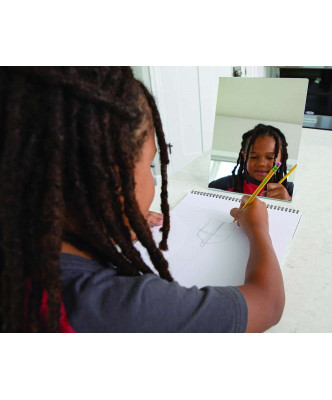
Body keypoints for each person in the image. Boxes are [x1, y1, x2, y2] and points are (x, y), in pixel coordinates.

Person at [0, 67, 284, 333]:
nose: (154, 179)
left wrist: (113, 217)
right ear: (106, 179)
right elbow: (268, 303)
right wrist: (258, 227)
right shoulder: (116, 306)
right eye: (149, 165)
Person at [208, 124, 294, 200]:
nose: (261, 163)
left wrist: (288, 200)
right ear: (244, 157)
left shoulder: (289, 190)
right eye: (254, 157)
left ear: (281, 159)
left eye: (270, 157)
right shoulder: (222, 185)